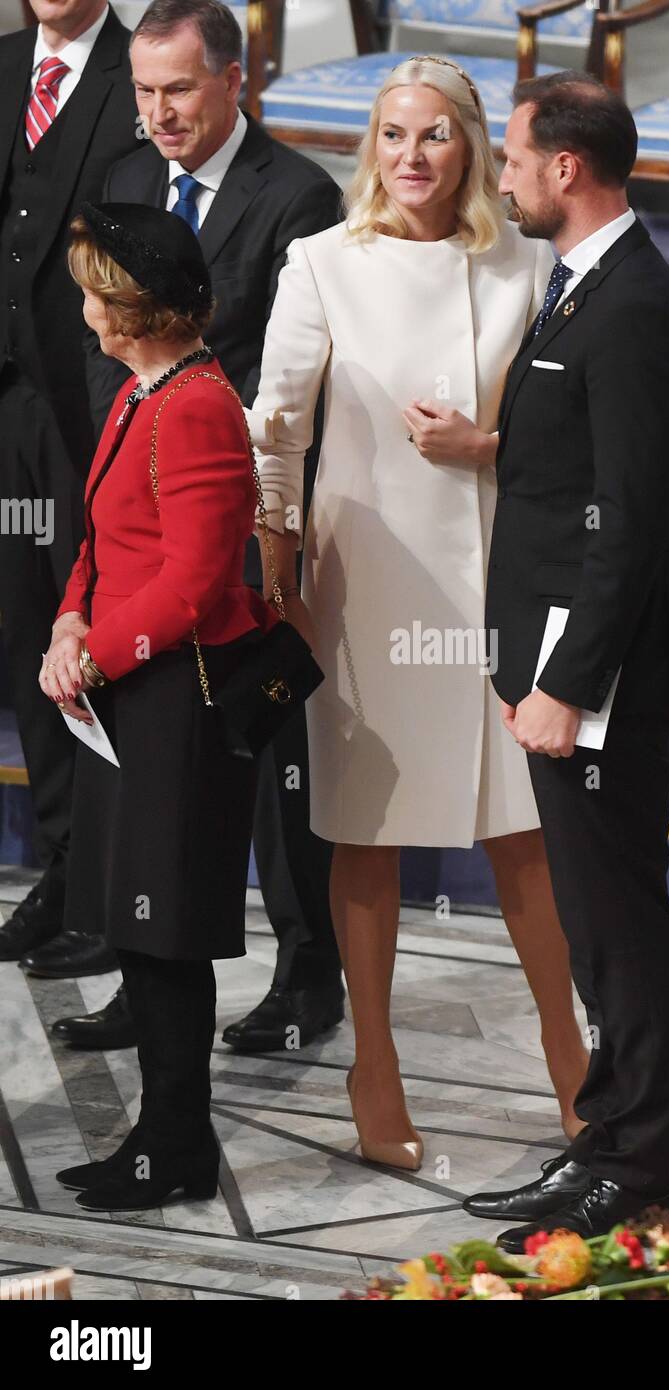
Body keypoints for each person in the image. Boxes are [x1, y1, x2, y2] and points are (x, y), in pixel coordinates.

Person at [248, 56, 591, 1172]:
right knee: (366, 828)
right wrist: (277, 572)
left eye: (434, 136)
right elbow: (276, 436)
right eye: (392, 135)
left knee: (521, 830)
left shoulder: (528, 267)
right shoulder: (319, 265)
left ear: (474, 148)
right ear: (370, 149)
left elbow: (575, 428)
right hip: (366, 587)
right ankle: (375, 1063)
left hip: (499, 589)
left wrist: (483, 446)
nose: (410, 157)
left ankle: (569, 1052)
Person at [48, 0, 345, 1051]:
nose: (159, 113)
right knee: (151, 783)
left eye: (178, 89)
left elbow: (293, 367)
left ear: (234, 78)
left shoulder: (299, 196)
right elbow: (102, 342)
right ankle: (144, 977)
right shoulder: (128, 178)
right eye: (142, 91)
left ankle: (310, 975)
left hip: (253, 507)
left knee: (269, 758)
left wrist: (209, 466)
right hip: (139, 485)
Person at [463, 71, 669, 1251]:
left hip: (597, 682)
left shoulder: (636, 308)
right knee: (595, 916)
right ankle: (607, 1139)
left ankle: (637, 1169)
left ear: (567, 168)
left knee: (620, 924)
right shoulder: (580, 285)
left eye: (512, 156)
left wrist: (565, 687)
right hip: (559, 668)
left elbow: (632, 518)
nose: (500, 175)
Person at [47, 202, 287, 1211]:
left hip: (171, 709)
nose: (88, 314)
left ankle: (175, 1145)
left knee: (166, 935)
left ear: (134, 305)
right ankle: (162, 1133)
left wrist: (91, 655)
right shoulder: (143, 390)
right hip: (125, 695)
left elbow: (194, 584)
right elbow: (104, 540)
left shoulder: (193, 406)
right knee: (139, 932)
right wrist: (69, 622)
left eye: (98, 295)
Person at [0, 0, 140, 972]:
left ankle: (109, 885)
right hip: (6, 408)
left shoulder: (146, 74)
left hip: (89, 412)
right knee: (23, 632)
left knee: (91, 634)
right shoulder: (7, 63)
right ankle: (59, 866)